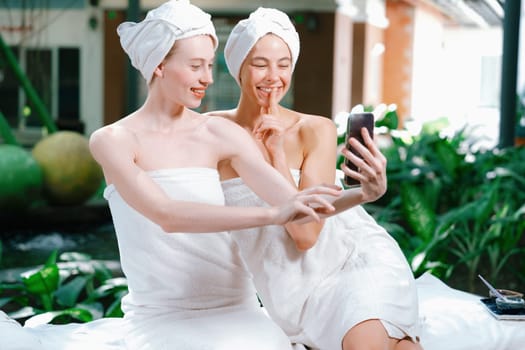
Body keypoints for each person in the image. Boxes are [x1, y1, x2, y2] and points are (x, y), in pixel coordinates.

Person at [88, 1, 344, 349]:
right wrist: (270, 214)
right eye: (195, 66)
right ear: (159, 64)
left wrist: (368, 192)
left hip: (239, 313)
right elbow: (168, 215)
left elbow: (297, 208)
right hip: (162, 317)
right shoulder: (113, 141)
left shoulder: (221, 134)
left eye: (209, 65)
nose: (207, 78)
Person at [209, 7, 423, 350]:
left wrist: (276, 155)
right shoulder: (212, 131)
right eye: (260, 63)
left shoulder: (314, 129)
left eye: (284, 64)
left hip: (352, 262)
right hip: (292, 288)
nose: (273, 76)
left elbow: (306, 233)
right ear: (237, 68)